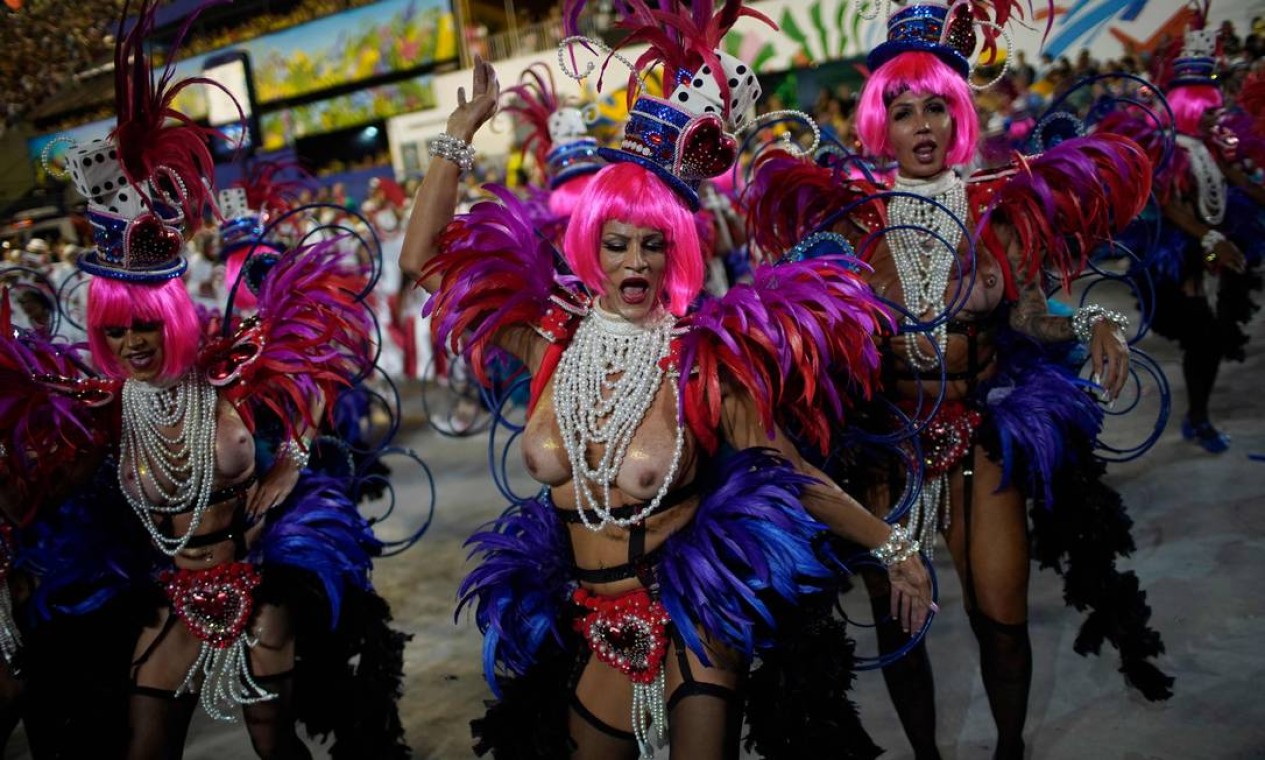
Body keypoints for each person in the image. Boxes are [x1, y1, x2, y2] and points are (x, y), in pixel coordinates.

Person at [399, 2, 933, 757]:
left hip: (691, 608)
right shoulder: (548, 338)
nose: (635, 263)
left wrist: (891, 546)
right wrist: (458, 139)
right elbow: (422, 261)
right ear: (590, 244)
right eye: (616, 243)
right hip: (585, 611)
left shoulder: (700, 357)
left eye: (654, 245)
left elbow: (790, 468)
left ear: (679, 251)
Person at [744, 2, 1173, 757]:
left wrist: (1087, 323)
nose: (920, 123)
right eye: (901, 108)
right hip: (885, 443)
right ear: (880, 121)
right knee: (899, 627)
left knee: (999, 615)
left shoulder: (998, 212)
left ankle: (1008, 749)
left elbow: (1033, 314)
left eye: (936, 105)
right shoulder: (851, 223)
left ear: (958, 115)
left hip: (978, 431)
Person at [0, 4, 409, 757]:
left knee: (273, 742)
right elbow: (56, 484)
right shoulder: (106, 410)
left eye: (145, 325)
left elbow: (314, 386)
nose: (132, 343)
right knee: (144, 743)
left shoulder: (230, 377)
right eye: (115, 330)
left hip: (258, 587)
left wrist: (293, 460)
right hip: (171, 596)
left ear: (174, 317)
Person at [1107, 19, 1262, 453]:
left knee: (1212, 338)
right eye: (1208, 106)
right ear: (1191, 105)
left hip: (1216, 251)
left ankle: (1200, 413)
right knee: (1203, 338)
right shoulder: (1167, 145)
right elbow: (1170, 204)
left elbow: (1239, 181)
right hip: (1184, 256)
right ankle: (1198, 416)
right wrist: (1210, 240)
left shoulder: (1211, 143)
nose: (1217, 112)